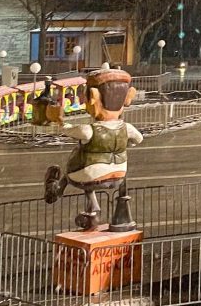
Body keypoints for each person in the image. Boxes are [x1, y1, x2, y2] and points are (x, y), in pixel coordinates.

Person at [43, 66, 143, 230]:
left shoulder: (89, 130)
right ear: (127, 98)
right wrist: (126, 142)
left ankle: (58, 191)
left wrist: (59, 121)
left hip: (87, 174)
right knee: (108, 176)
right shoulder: (127, 128)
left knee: (74, 175)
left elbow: (69, 130)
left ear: (93, 97)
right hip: (118, 175)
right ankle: (121, 210)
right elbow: (138, 139)